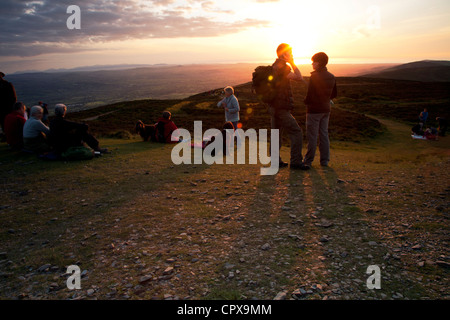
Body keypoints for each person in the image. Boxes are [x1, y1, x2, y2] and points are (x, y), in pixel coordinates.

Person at [269, 43, 306, 170]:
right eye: (290, 52)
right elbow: (299, 77)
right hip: (281, 107)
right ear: (283, 54)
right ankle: (296, 161)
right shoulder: (282, 67)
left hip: (273, 106)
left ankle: (275, 161)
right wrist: (293, 63)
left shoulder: (274, 66)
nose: (292, 54)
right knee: (296, 132)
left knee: (276, 134)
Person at [302, 52, 337, 169]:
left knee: (312, 136)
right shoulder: (332, 76)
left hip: (314, 111)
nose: (312, 64)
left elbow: (310, 95)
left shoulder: (314, 77)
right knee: (324, 134)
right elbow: (334, 94)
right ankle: (325, 161)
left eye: (314, 61)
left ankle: (308, 160)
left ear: (319, 63)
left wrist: (305, 102)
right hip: (326, 109)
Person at [0, 72, 17, 138]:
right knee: (6, 124)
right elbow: (14, 98)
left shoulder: (7, 84)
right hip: (5, 109)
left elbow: (13, 98)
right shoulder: (8, 84)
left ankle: (9, 137)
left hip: (8, 108)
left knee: (7, 124)